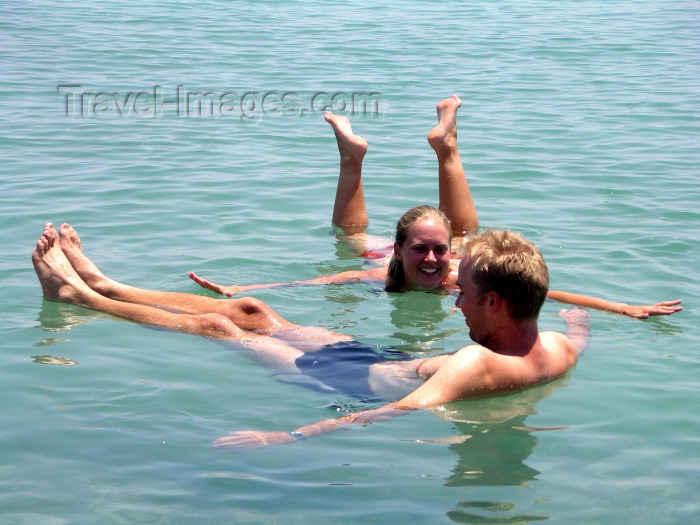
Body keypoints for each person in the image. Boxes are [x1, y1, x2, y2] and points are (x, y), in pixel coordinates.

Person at [33, 222, 590, 450]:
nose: (457, 297)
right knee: (251, 309)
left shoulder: (476, 363)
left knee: (217, 325)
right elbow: (576, 340)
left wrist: (289, 438)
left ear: (494, 302)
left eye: (463, 290)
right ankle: (108, 281)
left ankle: (80, 297)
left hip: (352, 381)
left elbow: (394, 411)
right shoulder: (558, 348)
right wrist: (579, 319)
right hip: (381, 357)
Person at [189, 97, 682, 319]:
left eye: (437, 253)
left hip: (438, 244)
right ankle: (412, 148)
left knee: (462, 239)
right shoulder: (378, 274)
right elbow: (315, 283)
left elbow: (551, 295)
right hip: (383, 252)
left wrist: (622, 307)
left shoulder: (453, 271)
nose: (431, 260)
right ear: (400, 251)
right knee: (353, 243)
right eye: (421, 251)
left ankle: (398, 148)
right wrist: (244, 289)